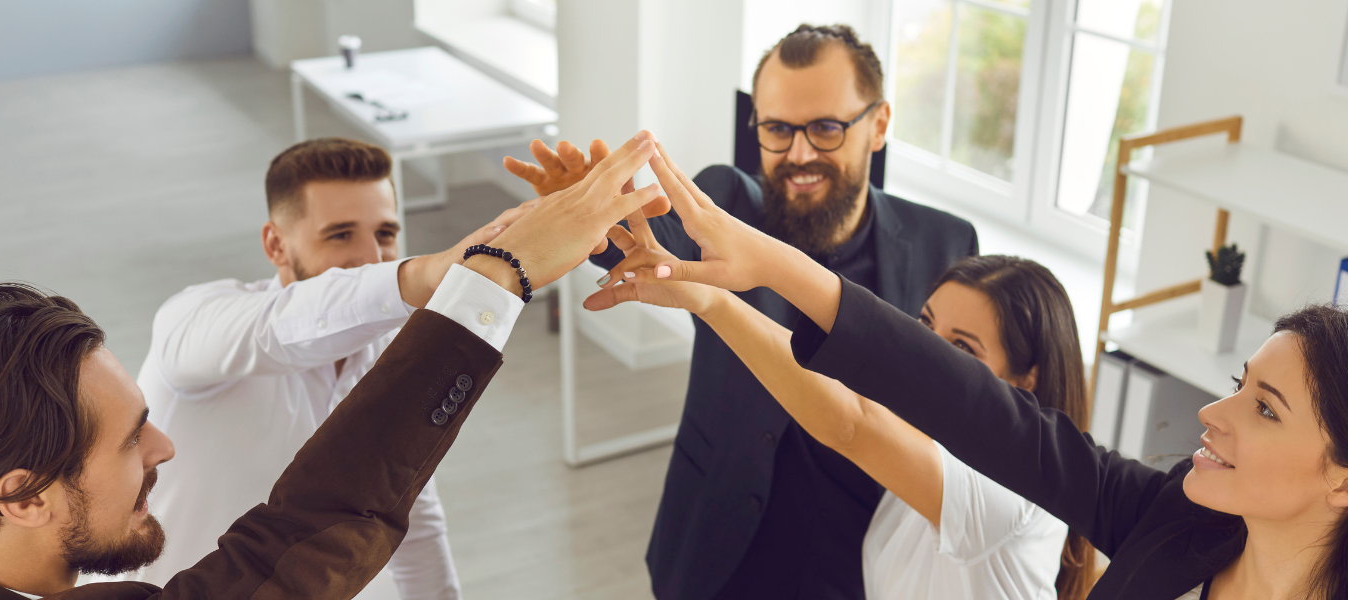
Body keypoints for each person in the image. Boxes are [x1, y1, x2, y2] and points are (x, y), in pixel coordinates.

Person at [0, 133, 668, 598]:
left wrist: (486, 262)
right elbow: (291, 340)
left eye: (387, 233)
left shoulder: (377, 351)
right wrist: (473, 274)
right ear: (22, 497)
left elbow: (400, 500)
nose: (162, 446)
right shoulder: (195, 327)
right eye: (130, 436)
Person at [617, 136, 1348, 600]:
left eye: (1267, 407)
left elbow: (852, 419)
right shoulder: (1174, 523)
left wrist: (742, 283)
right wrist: (760, 276)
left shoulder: (1017, 510)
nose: (1211, 415)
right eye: (1237, 387)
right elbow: (962, 402)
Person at [506, 25, 978, 599]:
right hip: (719, 549)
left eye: (826, 128)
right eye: (777, 129)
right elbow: (654, 248)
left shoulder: (946, 242)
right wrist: (593, 222)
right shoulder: (725, 202)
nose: (799, 155)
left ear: (878, 125)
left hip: (864, 566)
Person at [590, 204, 1094, 599]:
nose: (930, 355)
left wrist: (711, 298)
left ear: (1027, 382)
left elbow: (851, 422)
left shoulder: (1017, 488)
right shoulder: (932, 439)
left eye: (962, 349)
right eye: (925, 326)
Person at [134, 138, 535, 595]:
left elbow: (412, 517)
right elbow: (279, 325)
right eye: (341, 234)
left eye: (385, 234)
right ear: (276, 245)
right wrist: (429, 274)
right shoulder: (191, 323)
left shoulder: (394, 349)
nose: (371, 257)